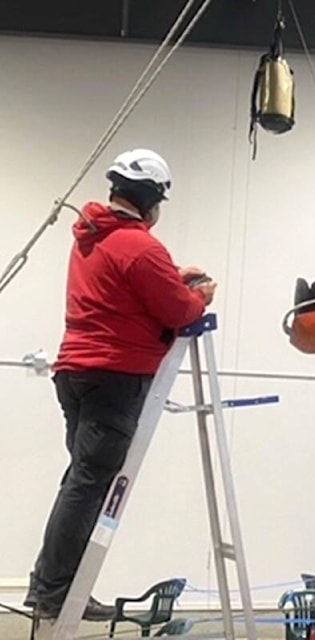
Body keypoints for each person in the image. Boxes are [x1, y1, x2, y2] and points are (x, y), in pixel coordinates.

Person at [24, 149, 217, 621]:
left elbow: (127, 294)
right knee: (89, 484)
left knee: (80, 480)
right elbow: (178, 311)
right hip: (115, 377)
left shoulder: (91, 238)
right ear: (152, 198)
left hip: (77, 373)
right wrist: (198, 294)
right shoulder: (141, 246)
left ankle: (52, 587)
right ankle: (55, 593)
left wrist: (174, 280)